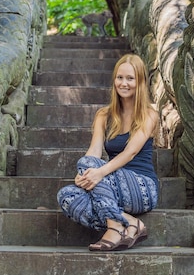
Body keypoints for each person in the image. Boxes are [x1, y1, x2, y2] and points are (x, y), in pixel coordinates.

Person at [57, 54, 160, 251]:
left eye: (130, 78)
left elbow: (130, 152)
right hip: (110, 185)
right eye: (120, 77)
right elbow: (94, 152)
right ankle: (130, 222)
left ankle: (114, 228)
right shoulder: (104, 115)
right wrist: (83, 175)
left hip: (142, 187)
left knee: (91, 167)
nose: (124, 83)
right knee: (67, 195)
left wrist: (98, 172)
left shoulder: (149, 114)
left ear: (140, 82)